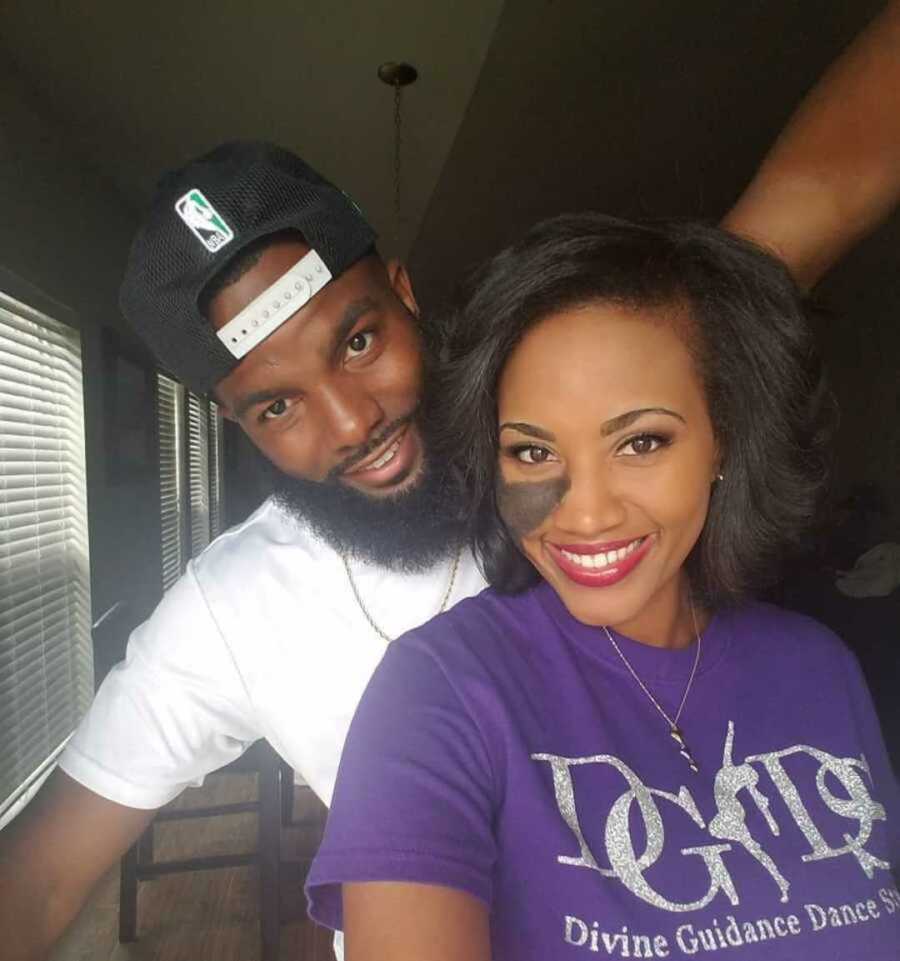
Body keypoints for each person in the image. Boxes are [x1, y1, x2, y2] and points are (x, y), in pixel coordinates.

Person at [2, 4, 900, 954]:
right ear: (235, 424)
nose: (354, 422)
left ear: (404, 293)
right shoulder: (232, 610)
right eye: (277, 406)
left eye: (357, 341)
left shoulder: (568, 397)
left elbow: (818, 193)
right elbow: (45, 877)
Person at [305, 213, 900, 960]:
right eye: (530, 451)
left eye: (641, 441)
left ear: (723, 438)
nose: (584, 513)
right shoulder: (439, 695)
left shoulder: (822, 668)